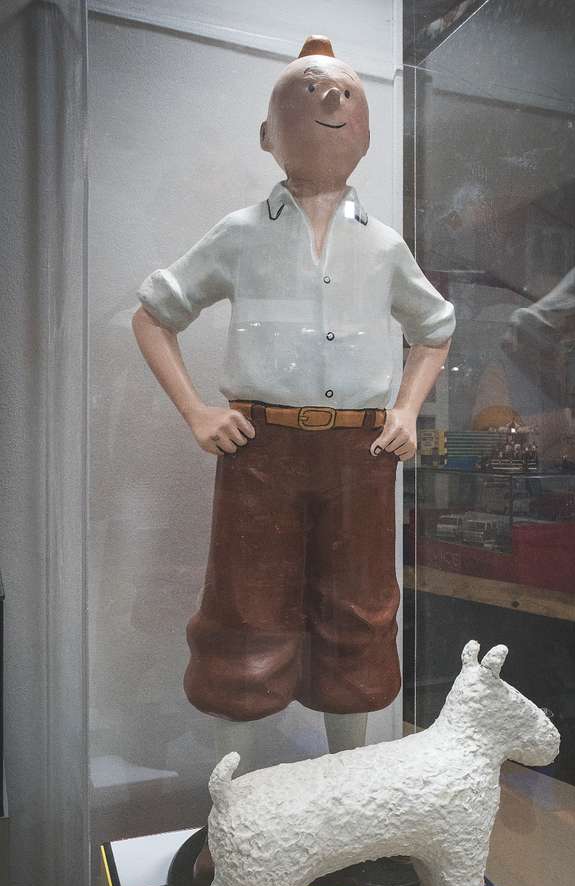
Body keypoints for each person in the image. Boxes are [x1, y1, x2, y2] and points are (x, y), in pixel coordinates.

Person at [132, 35, 455, 749]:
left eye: (345, 92)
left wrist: (406, 410)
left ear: (366, 134)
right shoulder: (240, 235)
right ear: (267, 134)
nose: (331, 97)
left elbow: (435, 329)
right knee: (245, 610)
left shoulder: (384, 246)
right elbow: (154, 316)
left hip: (361, 453)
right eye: (309, 88)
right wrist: (196, 412)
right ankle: (242, 793)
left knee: (360, 608)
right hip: (261, 449)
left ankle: (347, 784)